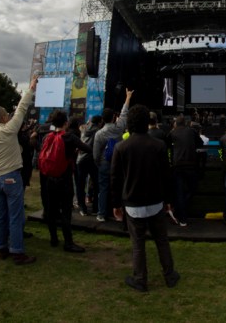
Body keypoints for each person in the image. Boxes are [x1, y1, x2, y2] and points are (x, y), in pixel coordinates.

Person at [111, 104, 180, 292]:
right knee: (162, 240)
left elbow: (115, 179)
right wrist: (169, 201)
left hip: (133, 204)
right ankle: (169, 275)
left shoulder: (121, 147)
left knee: (138, 244)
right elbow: (166, 176)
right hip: (155, 202)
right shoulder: (158, 145)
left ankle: (140, 279)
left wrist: (116, 204)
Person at [0, 77, 38, 265]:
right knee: (15, 216)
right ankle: (18, 253)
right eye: (7, 115)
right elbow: (22, 108)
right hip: (12, 176)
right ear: (4, 118)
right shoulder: (9, 130)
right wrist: (31, 88)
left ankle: (1, 248)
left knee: (0, 216)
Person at [42, 111, 92, 253]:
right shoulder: (69, 137)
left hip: (50, 179)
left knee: (51, 210)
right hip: (65, 179)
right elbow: (87, 148)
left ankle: (53, 238)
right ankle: (68, 242)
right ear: (66, 123)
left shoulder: (48, 137)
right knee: (66, 212)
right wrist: (74, 151)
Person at [93, 89, 134, 222]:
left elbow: (96, 153)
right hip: (119, 163)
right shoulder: (119, 127)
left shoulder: (99, 134)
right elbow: (124, 113)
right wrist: (128, 97)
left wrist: (99, 164)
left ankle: (101, 214)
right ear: (113, 117)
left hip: (104, 163)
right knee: (120, 187)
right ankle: (120, 213)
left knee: (103, 189)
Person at [167, 116, 203, 226]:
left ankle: (180, 215)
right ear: (185, 123)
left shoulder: (172, 133)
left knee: (179, 192)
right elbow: (200, 143)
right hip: (191, 165)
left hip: (177, 165)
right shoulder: (192, 131)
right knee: (191, 189)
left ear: (176, 123)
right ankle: (181, 212)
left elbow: (166, 144)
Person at [76, 115, 102, 216]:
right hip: (92, 159)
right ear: (99, 122)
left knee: (80, 184)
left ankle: (82, 208)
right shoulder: (99, 131)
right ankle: (95, 207)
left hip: (81, 159)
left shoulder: (83, 129)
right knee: (96, 184)